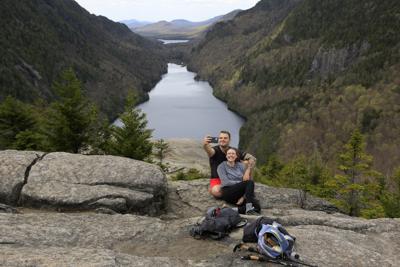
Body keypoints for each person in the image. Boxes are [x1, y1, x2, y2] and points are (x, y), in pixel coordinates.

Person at [203, 130, 256, 198]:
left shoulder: (234, 151)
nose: (223, 140)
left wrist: (247, 170)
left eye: (225, 138)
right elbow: (209, 151)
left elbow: (252, 158)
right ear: (218, 139)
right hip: (217, 180)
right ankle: (242, 192)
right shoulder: (215, 150)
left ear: (229, 140)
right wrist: (205, 145)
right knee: (216, 191)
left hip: (233, 178)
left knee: (246, 162)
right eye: (221, 138)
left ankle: (246, 187)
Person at [217, 147, 260, 214]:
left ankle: (230, 210)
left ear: (236, 156)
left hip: (239, 193)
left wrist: (243, 197)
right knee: (249, 182)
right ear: (226, 156)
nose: (231, 155)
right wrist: (242, 183)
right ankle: (248, 208)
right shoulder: (221, 166)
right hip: (228, 192)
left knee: (257, 207)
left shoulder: (240, 166)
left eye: (233, 154)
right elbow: (226, 182)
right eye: (229, 153)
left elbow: (245, 182)